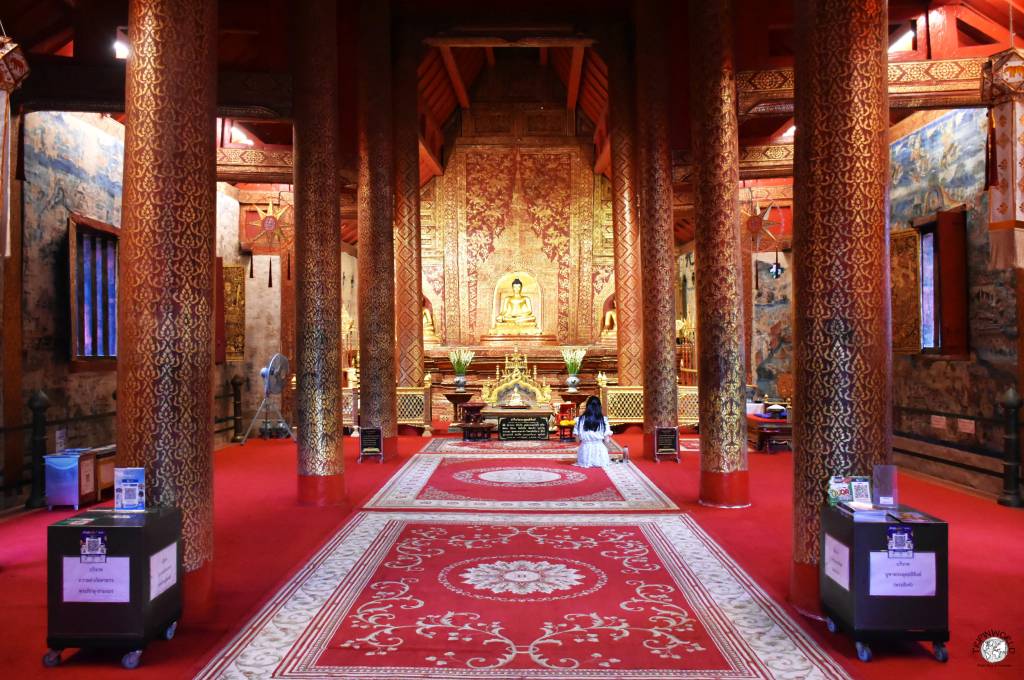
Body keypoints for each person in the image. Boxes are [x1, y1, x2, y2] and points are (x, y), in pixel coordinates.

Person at [573, 396, 612, 468]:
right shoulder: (604, 420)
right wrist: (609, 451)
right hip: (601, 455)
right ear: (600, 407)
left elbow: (577, 440)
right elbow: (607, 440)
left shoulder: (579, 420)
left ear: (587, 407)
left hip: (585, 455)